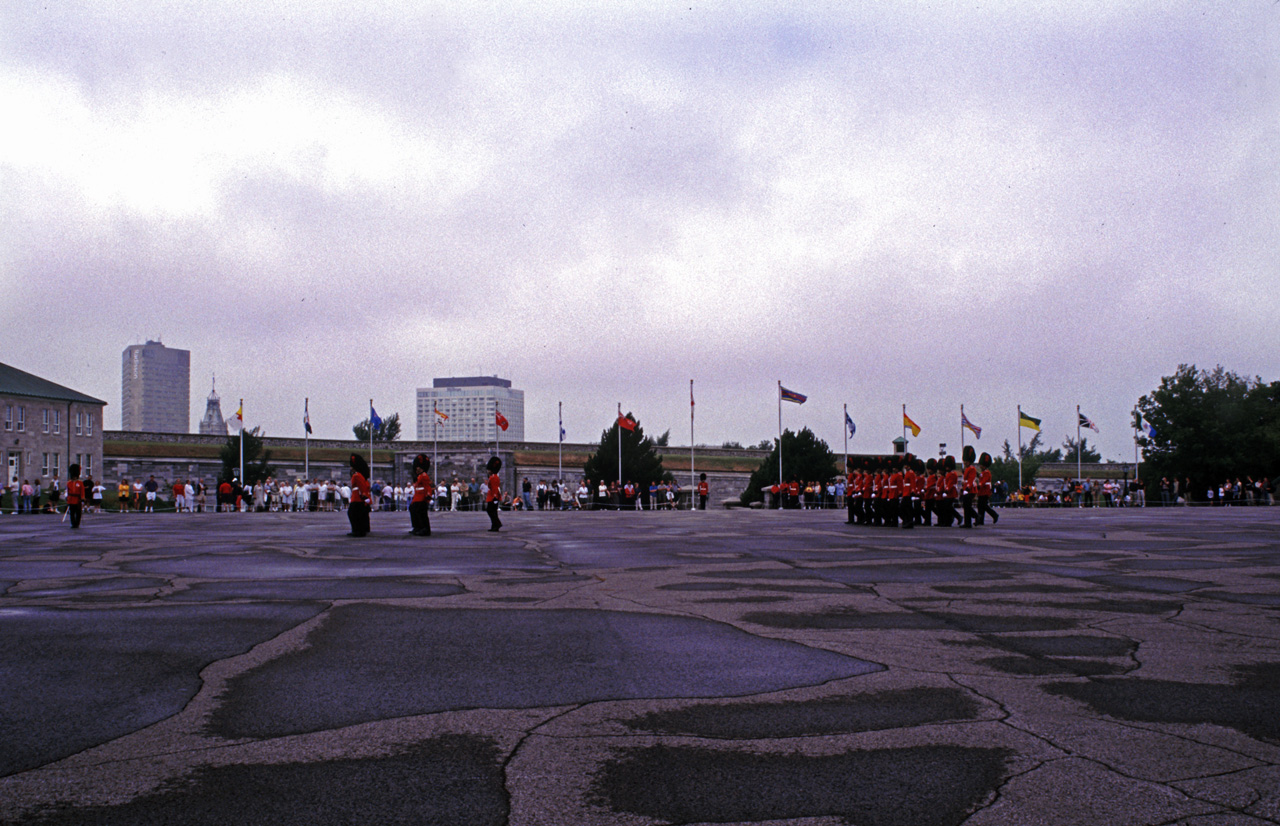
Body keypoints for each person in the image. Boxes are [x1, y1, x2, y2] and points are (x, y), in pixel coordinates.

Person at [347, 454, 372, 537]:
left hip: (357, 498)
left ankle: (357, 530)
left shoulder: (357, 475)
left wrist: (364, 496)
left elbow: (362, 487)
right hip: (357, 497)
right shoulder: (359, 475)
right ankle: (358, 530)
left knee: (353, 514)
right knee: (356, 514)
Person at [409, 454, 433, 537]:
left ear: (421, 468)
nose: (416, 468)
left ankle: (424, 528)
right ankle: (417, 527)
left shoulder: (424, 476)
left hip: (422, 497)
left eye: (418, 467)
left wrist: (428, 496)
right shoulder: (420, 476)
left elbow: (427, 487)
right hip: (417, 497)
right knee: (413, 510)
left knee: (421, 513)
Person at [976, 452, 999, 525]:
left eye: (981, 465)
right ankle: (981, 520)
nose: (980, 466)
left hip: (985, 491)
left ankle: (994, 515)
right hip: (982, 491)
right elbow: (981, 478)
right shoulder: (983, 472)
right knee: (980, 506)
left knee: (983, 506)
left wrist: (979, 485)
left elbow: (983, 481)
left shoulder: (987, 473)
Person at [960, 445, 978, 528]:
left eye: (966, 461)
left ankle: (972, 519)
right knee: (966, 506)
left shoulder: (972, 469)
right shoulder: (967, 469)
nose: (965, 462)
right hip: (966, 489)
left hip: (970, 489)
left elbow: (971, 479)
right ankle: (971, 520)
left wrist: (967, 488)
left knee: (967, 506)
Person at [485, 456, 503, 532]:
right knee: (492, 511)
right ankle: (494, 525)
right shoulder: (492, 477)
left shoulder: (494, 477)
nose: (488, 471)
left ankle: (497, 523)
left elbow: (495, 488)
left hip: (493, 496)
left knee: (490, 510)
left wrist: (495, 497)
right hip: (492, 495)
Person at [65, 463, 85, 529]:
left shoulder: (80, 483)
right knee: (72, 513)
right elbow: (67, 491)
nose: (74, 477)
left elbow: (82, 491)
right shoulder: (69, 483)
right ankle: (73, 523)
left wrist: (82, 498)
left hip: (78, 499)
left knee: (78, 513)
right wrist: (67, 497)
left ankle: (77, 523)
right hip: (71, 499)